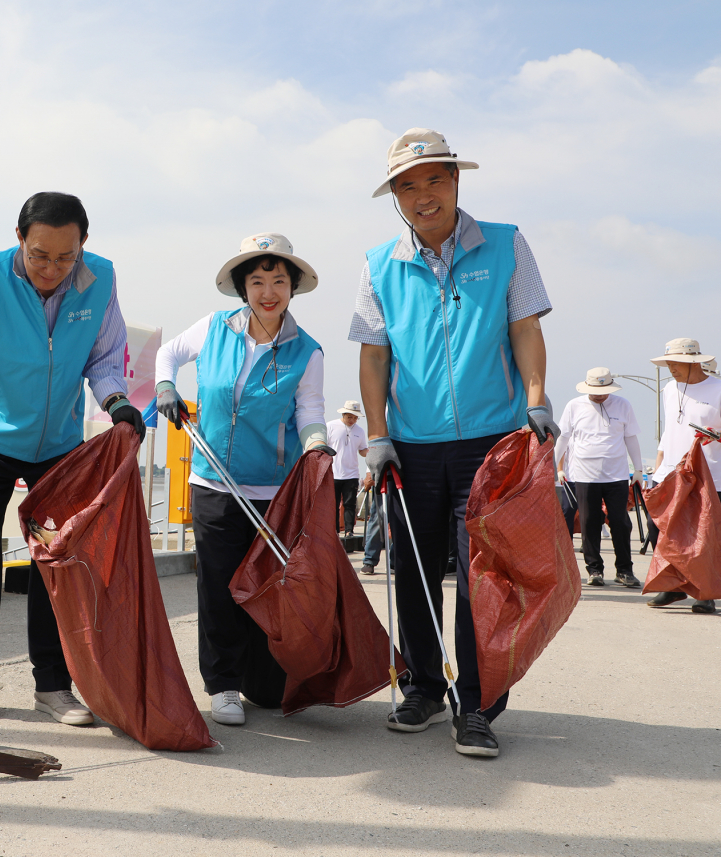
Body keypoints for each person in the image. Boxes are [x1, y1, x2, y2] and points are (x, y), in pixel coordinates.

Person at [349, 128, 556, 758]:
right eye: (407, 186)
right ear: (396, 199)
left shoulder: (505, 243)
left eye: (434, 179)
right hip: (410, 445)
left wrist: (537, 398)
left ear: (457, 181)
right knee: (412, 569)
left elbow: (523, 328)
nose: (423, 195)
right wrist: (377, 434)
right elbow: (373, 358)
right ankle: (422, 686)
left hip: (490, 443)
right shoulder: (380, 263)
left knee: (478, 577)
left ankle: (479, 705)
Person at [0, 192, 147, 727]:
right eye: (39, 255)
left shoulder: (100, 279)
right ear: (20, 239)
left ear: (83, 245)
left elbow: (103, 358)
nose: (51, 269)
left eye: (64, 257)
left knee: (56, 561)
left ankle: (53, 686)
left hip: (58, 445)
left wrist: (117, 404)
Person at [155, 233, 329, 726]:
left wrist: (317, 445)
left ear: (293, 289)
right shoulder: (213, 328)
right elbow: (167, 354)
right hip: (213, 483)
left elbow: (310, 411)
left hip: (273, 493)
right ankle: (223, 684)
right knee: (218, 587)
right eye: (257, 281)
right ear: (242, 288)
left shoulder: (308, 351)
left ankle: (260, 677)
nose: (268, 291)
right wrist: (166, 386)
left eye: (278, 281)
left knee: (268, 589)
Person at [645, 338, 721, 614]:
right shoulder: (668, 388)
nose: (671, 368)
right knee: (660, 529)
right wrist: (658, 465)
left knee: (704, 535)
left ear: (693, 362)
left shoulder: (718, 388)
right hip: (670, 472)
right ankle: (674, 586)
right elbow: (669, 429)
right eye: (668, 363)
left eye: (676, 363)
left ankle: (704, 592)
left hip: (710, 473)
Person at [553, 368, 644, 587]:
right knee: (589, 522)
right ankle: (594, 570)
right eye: (595, 391)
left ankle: (624, 570)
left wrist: (639, 469)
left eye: (603, 391)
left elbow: (631, 437)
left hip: (617, 475)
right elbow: (563, 438)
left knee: (621, 522)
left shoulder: (623, 405)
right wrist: (554, 468)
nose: (599, 395)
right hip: (583, 475)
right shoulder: (574, 406)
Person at [328, 401, 368, 537]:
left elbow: (362, 450)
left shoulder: (360, 431)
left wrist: (373, 452)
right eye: (350, 417)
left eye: (356, 417)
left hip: (351, 474)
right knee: (332, 505)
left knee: (349, 504)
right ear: (344, 414)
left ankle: (349, 531)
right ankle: (333, 531)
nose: (353, 420)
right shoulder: (331, 426)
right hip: (333, 473)